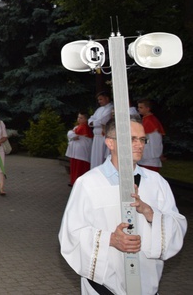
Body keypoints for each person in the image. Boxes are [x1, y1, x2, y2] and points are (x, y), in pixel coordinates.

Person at [58, 120, 187, 295]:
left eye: (142, 139)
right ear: (110, 142)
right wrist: (110, 239)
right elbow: (71, 233)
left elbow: (177, 225)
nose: (139, 144)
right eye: (132, 139)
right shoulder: (88, 183)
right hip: (104, 286)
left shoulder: (156, 182)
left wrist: (150, 214)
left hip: (146, 284)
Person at [65, 112, 93, 186]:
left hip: (81, 151)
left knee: (80, 168)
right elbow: (71, 133)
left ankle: (77, 183)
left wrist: (72, 134)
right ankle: (73, 181)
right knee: (75, 167)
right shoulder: (78, 126)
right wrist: (72, 134)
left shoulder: (84, 127)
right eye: (78, 117)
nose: (79, 119)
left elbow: (74, 133)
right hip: (76, 151)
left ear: (86, 119)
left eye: (81, 118)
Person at [137, 99, 165, 172]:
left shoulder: (150, 121)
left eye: (141, 107)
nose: (138, 109)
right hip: (147, 152)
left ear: (148, 108)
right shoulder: (146, 119)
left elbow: (152, 139)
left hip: (150, 154)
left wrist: (143, 143)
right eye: (138, 107)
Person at [88, 91, 114, 169]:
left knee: (101, 157)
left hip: (103, 136)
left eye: (101, 99)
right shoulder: (99, 109)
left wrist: (94, 122)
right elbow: (90, 119)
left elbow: (103, 120)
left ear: (107, 98)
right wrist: (93, 122)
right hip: (96, 137)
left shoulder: (110, 108)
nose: (99, 101)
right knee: (95, 157)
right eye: (98, 100)